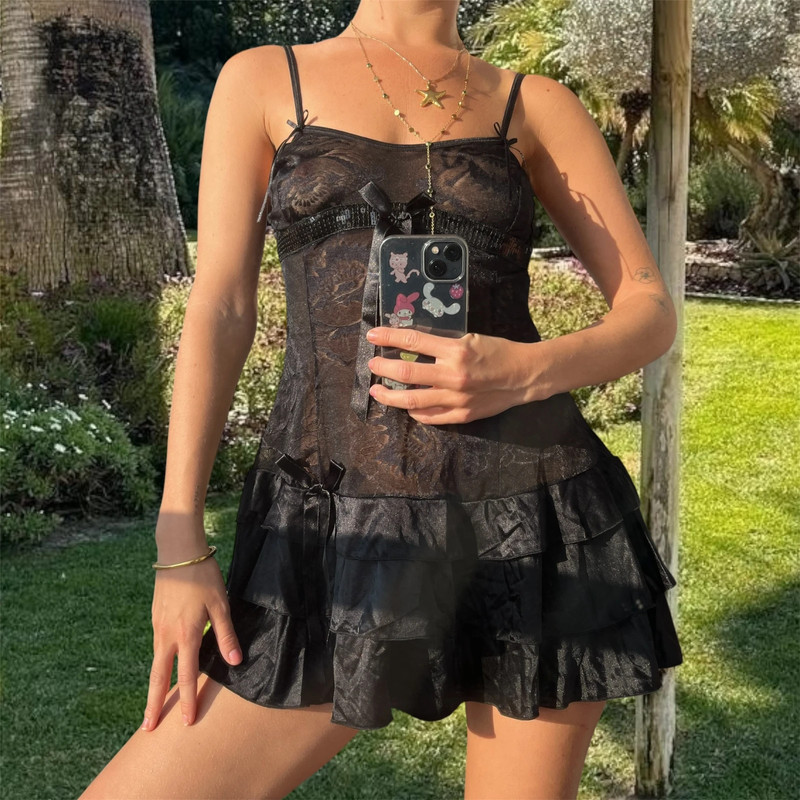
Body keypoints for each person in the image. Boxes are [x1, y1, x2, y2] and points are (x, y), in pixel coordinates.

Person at [79, 1, 683, 798]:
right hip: (330, 522)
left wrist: (521, 371)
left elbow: (649, 309)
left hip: (532, 519)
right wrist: (179, 534)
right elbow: (221, 308)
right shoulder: (264, 79)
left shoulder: (534, 104)